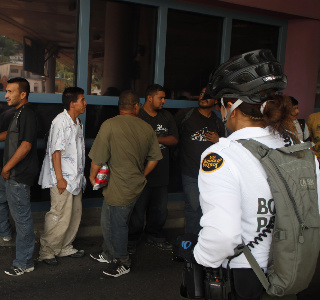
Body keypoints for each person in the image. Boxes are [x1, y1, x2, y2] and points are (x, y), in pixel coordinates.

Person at [192, 49, 320, 300]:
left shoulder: (221, 155)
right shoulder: (300, 150)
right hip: (292, 270)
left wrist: (201, 258)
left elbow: (223, 235)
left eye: (220, 106)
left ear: (230, 107)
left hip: (245, 274)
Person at [88, 90, 162, 278]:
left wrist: (92, 177)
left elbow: (97, 158)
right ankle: (108, 253)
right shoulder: (147, 128)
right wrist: (142, 174)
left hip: (119, 187)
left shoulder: (109, 125)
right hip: (130, 184)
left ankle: (123, 261)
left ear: (120, 106)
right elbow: (155, 158)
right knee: (108, 220)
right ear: (136, 106)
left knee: (118, 224)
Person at [0, 77, 38, 276]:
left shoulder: (28, 113)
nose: (6, 95)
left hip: (18, 175)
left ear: (23, 94)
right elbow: (10, 134)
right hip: (10, 174)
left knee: (22, 219)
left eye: (11, 91)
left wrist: (6, 167)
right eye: (6, 91)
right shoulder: (18, 113)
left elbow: (26, 145)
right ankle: (4, 233)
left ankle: (24, 262)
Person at [37, 87, 87, 266]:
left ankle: (64, 246)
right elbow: (55, 151)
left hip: (75, 178)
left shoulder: (77, 122)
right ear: (73, 103)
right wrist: (59, 178)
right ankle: (47, 250)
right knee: (58, 214)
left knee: (73, 215)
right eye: (82, 100)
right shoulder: (60, 121)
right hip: (63, 179)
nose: (85, 103)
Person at [127, 84, 178, 253]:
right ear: (149, 98)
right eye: (160, 98)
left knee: (160, 210)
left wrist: (156, 138)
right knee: (137, 210)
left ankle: (154, 236)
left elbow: (174, 139)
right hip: (141, 173)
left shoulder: (166, 116)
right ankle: (132, 240)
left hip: (162, 172)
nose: (163, 101)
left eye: (164, 98)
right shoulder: (138, 116)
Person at [175, 89, 226, 234]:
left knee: (208, 208)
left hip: (210, 174)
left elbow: (227, 147)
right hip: (190, 172)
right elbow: (173, 137)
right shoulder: (185, 115)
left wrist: (219, 140)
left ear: (215, 100)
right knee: (193, 207)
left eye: (207, 95)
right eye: (201, 93)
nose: (203, 97)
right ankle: (191, 243)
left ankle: (203, 241)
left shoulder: (217, 122)